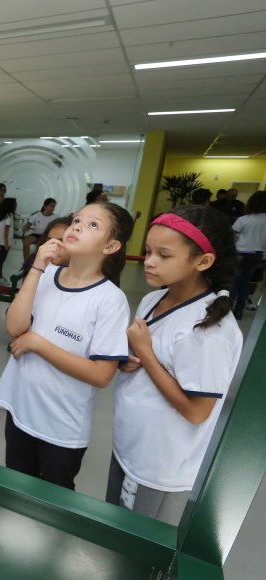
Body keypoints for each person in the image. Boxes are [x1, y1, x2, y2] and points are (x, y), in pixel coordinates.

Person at [108, 207, 241, 524]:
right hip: (132, 442)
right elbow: (153, 359)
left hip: (159, 462)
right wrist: (131, 360)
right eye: (148, 251)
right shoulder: (154, 299)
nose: (149, 261)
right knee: (115, 528)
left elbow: (197, 411)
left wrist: (147, 355)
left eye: (164, 255)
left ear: (203, 261)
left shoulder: (209, 331)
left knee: (137, 550)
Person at [0, 201, 134, 491]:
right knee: (17, 487)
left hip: (61, 426)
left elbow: (101, 375)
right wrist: (37, 267)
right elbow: (14, 327)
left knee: (53, 500)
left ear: (110, 246)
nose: (78, 226)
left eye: (93, 225)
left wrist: (37, 343)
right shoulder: (46, 277)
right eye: (77, 221)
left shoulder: (110, 299)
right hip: (20, 409)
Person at [229, 191, 266, 319]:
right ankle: (238, 313)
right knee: (245, 282)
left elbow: (232, 237)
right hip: (257, 254)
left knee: (233, 282)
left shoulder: (244, 219)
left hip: (241, 252)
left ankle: (226, 313)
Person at [0, 197, 17, 283]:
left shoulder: (4, 214)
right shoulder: (10, 215)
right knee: (1, 260)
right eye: (15, 204)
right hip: (4, 241)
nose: (16, 206)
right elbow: (6, 229)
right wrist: (6, 243)